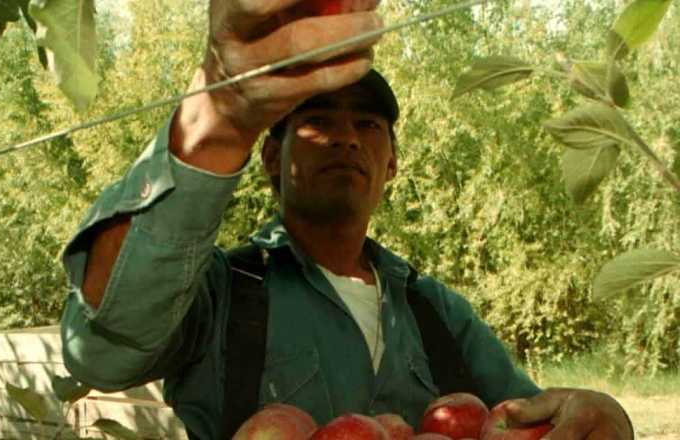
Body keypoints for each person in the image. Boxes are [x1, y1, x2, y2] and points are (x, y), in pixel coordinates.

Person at [58, 0, 633, 438]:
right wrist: (222, 118)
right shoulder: (223, 291)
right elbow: (102, 352)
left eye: (368, 126)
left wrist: (593, 418)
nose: (344, 139)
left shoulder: (438, 312)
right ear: (269, 159)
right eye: (316, 121)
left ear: (391, 167)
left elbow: (522, 420)